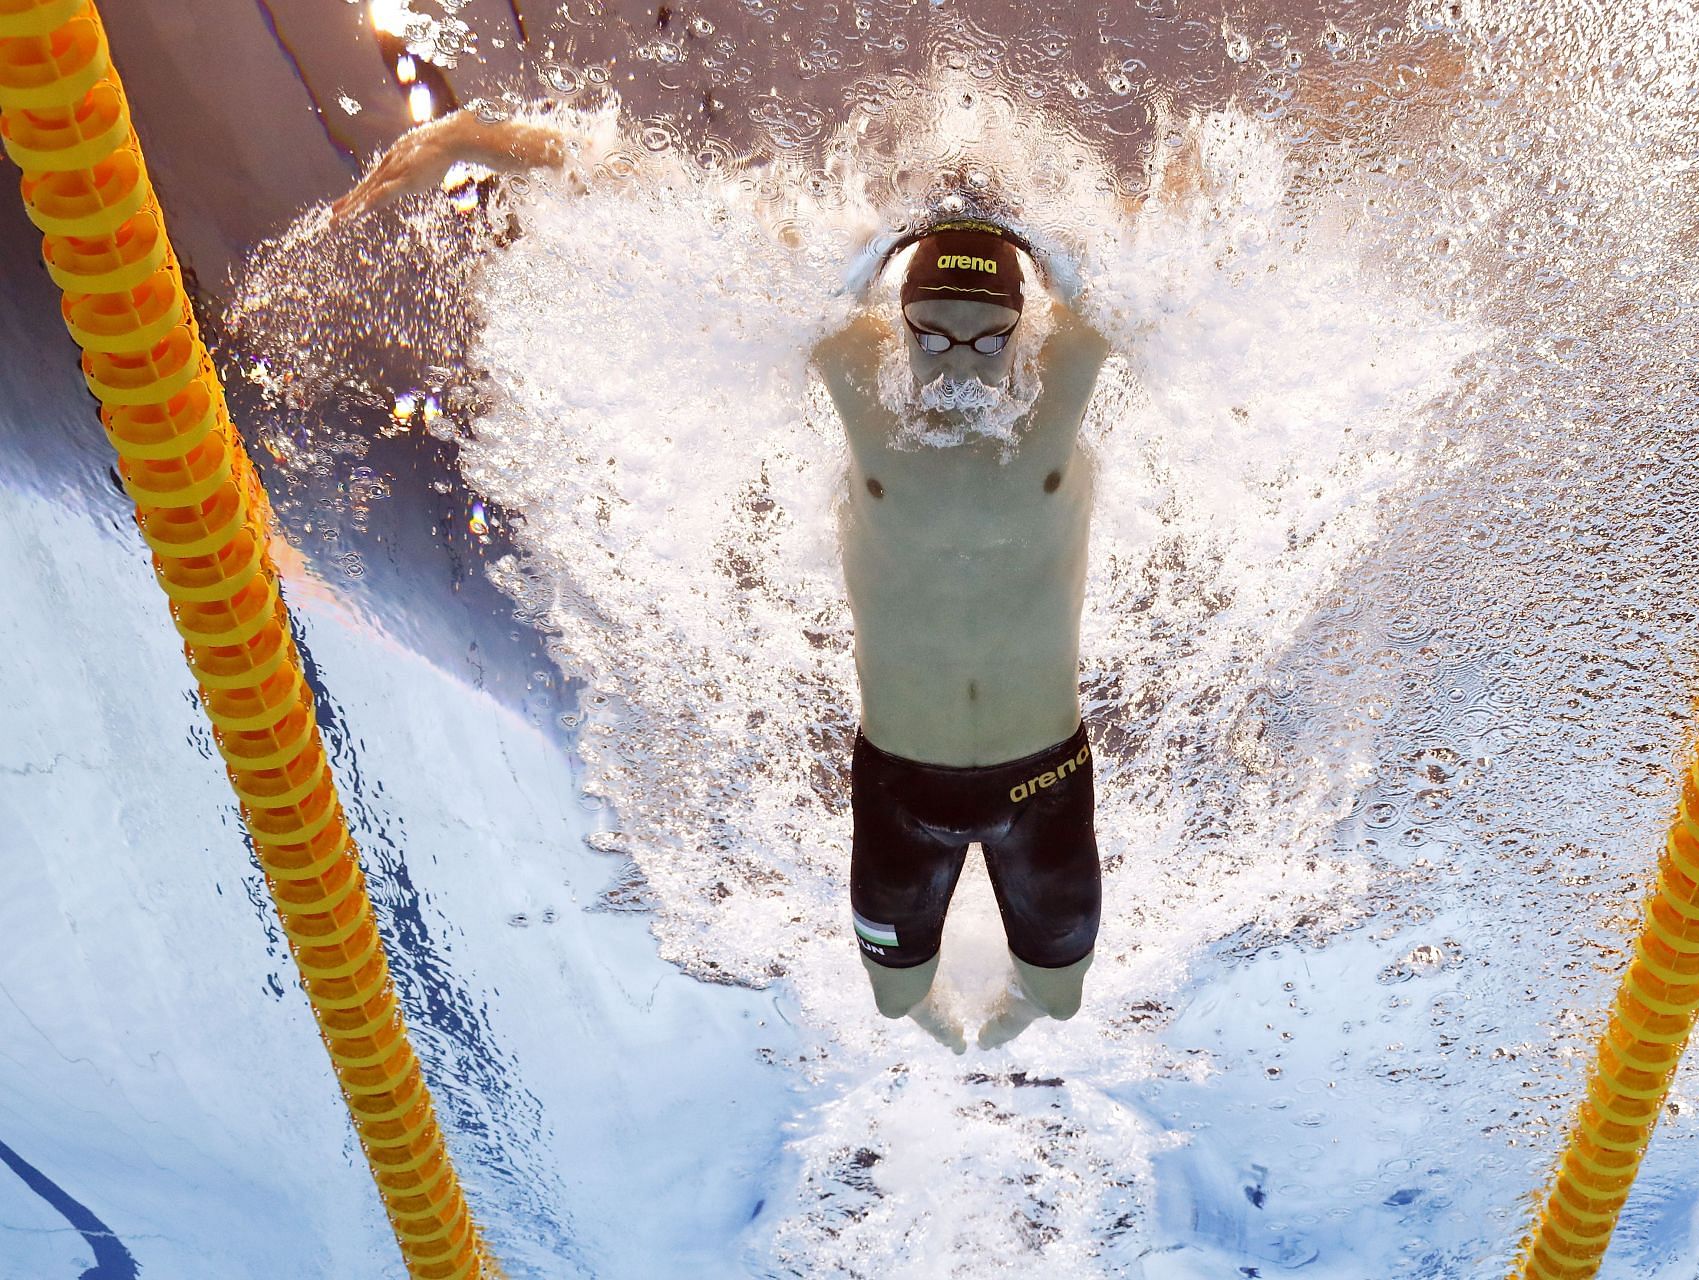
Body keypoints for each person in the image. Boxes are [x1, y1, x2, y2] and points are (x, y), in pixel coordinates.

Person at [332, 111, 1113, 1051]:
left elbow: (1174, 257)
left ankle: (1002, 1033)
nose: (957, 371)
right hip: (898, 787)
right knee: (901, 1004)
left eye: (987, 343)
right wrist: (474, 139)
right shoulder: (856, 377)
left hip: (1048, 778)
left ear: (1024, 332)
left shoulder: (1064, 385)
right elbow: (667, 213)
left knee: (1059, 1004)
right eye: (931, 338)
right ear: (896, 322)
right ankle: (958, 1039)